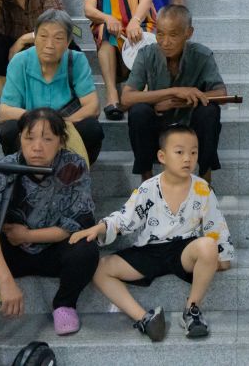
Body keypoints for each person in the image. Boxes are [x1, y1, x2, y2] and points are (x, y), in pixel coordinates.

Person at [0, 109, 99, 359]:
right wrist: (6, 281)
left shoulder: (74, 166)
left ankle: (64, 303)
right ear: (20, 138)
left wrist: (28, 235)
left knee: (86, 245)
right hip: (12, 251)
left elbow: (77, 222)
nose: (37, 147)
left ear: (61, 141)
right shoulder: (3, 168)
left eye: (47, 139)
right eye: (29, 138)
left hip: (53, 249)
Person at [70, 124, 234, 341]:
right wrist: (101, 227)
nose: (188, 158)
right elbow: (125, 217)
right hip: (149, 251)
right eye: (180, 152)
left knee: (208, 246)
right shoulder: (148, 188)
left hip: (183, 251)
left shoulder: (202, 188)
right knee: (100, 268)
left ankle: (192, 311)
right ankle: (145, 319)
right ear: (162, 156)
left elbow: (215, 225)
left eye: (193, 152)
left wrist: (221, 256)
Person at [122, 5, 226, 181]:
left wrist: (179, 100)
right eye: (160, 33)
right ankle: (146, 181)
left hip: (191, 127)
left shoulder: (201, 55)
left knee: (210, 111)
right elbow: (126, 98)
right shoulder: (147, 54)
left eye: (173, 35)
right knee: (138, 112)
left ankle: (205, 179)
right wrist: (174, 91)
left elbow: (221, 94)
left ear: (189, 33)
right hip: (157, 127)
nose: (165, 42)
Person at [0, 10, 103, 164]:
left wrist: (60, 125)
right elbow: (5, 110)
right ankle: (25, 175)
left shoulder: (77, 60)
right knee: (9, 130)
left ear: (67, 42)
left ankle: (74, 172)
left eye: (58, 38)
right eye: (43, 36)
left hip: (66, 125)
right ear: (35, 37)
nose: (49, 45)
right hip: (31, 127)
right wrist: (41, 123)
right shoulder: (20, 61)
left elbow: (92, 107)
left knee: (92, 129)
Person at [83, 0, 157, 121]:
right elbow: (88, 8)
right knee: (104, 33)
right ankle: (112, 96)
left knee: (143, 33)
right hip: (111, 27)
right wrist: (106, 17)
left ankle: (145, 91)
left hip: (140, 21)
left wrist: (135, 20)